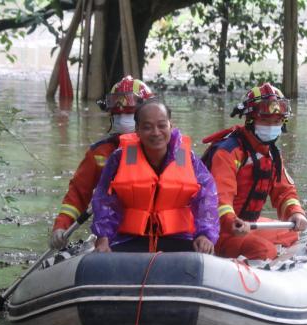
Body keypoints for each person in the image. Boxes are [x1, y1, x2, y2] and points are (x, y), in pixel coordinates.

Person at [91, 100, 219, 254]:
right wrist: (103, 237)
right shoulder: (119, 158)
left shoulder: (187, 158)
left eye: (162, 125)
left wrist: (205, 235)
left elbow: (207, 198)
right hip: (129, 239)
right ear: (137, 130)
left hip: (179, 238)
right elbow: (104, 199)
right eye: (147, 127)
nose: (156, 132)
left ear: (171, 126)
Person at [202, 83, 307, 260]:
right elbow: (219, 199)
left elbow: (284, 191)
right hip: (218, 230)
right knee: (264, 251)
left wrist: (296, 213)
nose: (271, 126)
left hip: (247, 225)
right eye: (265, 121)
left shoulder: (272, 154)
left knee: (291, 233)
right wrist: (231, 222)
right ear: (250, 120)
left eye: (276, 121)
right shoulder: (228, 152)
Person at [49, 76, 154, 249]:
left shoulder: (167, 149)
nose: (123, 119)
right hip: (116, 237)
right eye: (118, 114)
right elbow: (78, 193)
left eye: (129, 113)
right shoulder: (100, 153)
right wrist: (61, 226)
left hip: (161, 236)